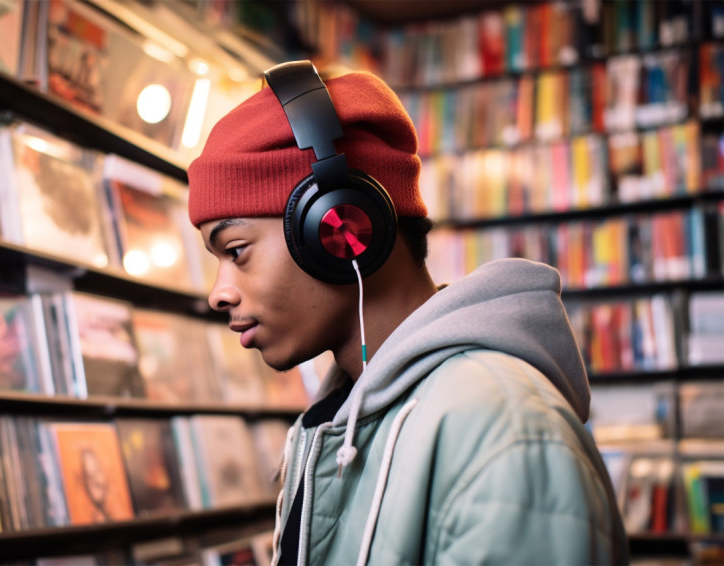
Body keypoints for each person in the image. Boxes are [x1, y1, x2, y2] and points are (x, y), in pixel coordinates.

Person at [186, 60, 629, 565]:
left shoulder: (503, 430)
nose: (219, 294)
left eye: (236, 250)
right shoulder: (343, 421)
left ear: (339, 227)